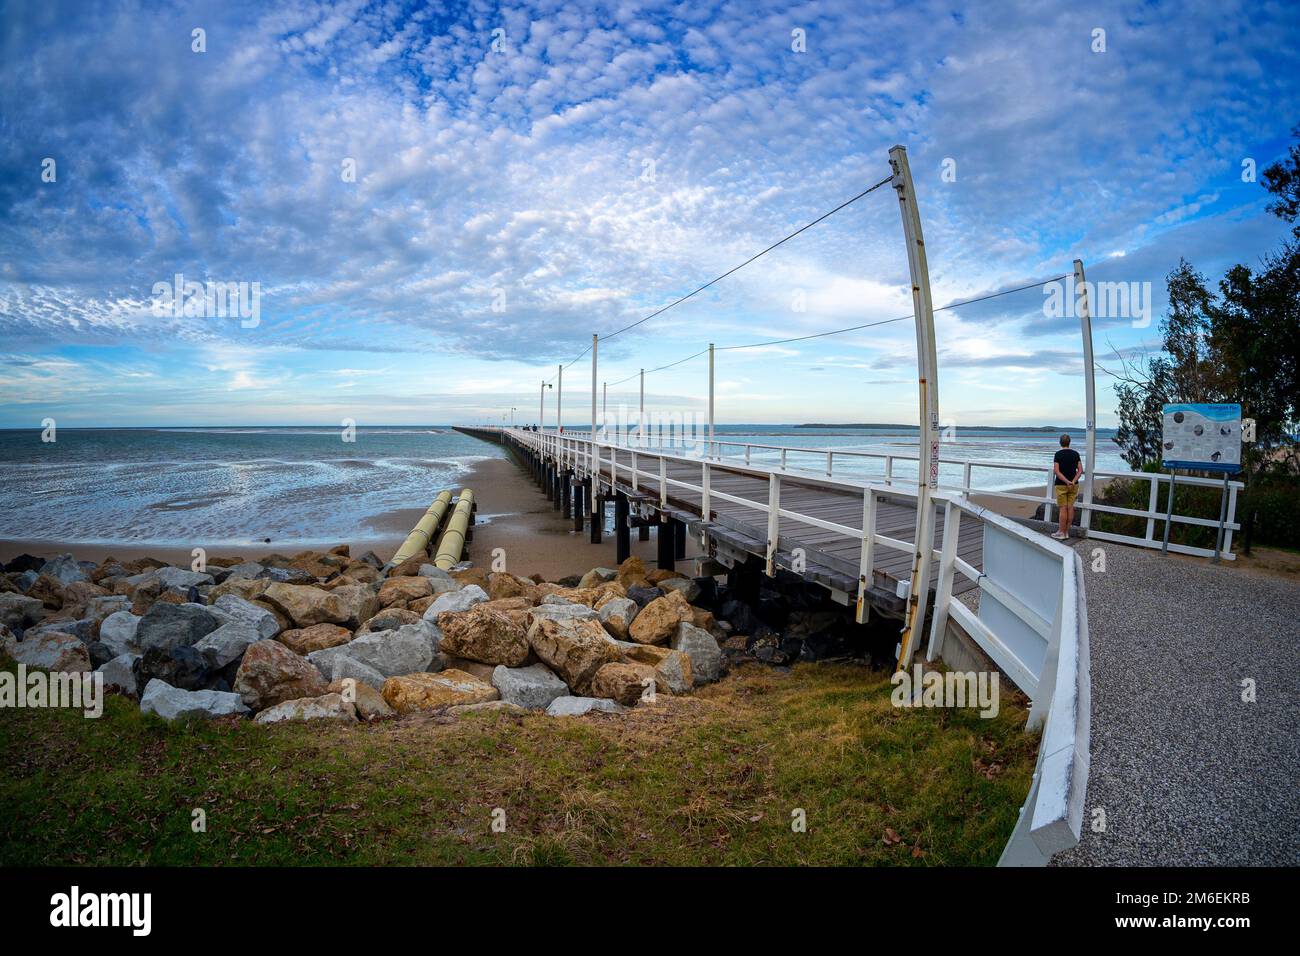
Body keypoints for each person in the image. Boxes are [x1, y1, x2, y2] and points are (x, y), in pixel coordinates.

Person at [1051, 433, 1083, 540]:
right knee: (1070, 508)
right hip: (1074, 485)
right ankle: (1066, 532)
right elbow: (1080, 470)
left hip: (1061, 485)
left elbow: (1057, 471)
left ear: (1060, 443)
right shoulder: (1076, 454)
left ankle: (1061, 532)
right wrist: (1073, 481)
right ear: (1069, 442)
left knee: (1063, 508)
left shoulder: (1058, 454)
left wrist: (1066, 481)